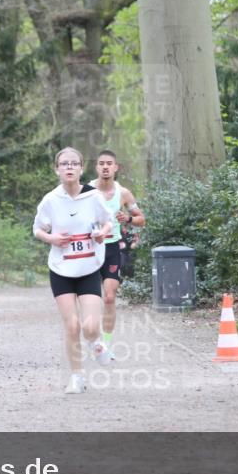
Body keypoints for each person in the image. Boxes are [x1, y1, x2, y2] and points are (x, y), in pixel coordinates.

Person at [33, 147, 113, 394]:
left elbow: (108, 222)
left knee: (89, 327)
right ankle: (76, 377)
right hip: (61, 270)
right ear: (57, 169)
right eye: (64, 164)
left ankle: (96, 341)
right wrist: (52, 238)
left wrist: (102, 233)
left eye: (74, 163)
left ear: (80, 169)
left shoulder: (93, 197)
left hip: (89, 268)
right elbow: (37, 229)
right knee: (72, 326)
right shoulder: (50, 200)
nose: (69, 167)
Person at [89, 150, 145, 359]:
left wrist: (128, 220)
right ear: (96, 167)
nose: (105, 167)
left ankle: (107, 344)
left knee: (110, 298)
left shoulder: (124, 194)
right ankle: (92, 338)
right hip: (92, 249)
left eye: (109, 163)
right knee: (91, 298)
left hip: (112, 249)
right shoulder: (87, 190)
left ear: (116, 168)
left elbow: (141, 218)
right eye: (101, 163)